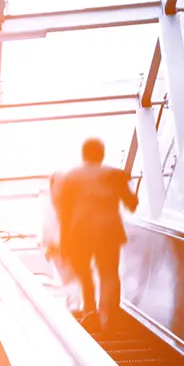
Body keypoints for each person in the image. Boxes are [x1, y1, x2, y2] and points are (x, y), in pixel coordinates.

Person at [51, 138, 137, 332]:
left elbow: (63, 213)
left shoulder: (69, 178)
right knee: (109, 273)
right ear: (101, 154)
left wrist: (64, 242)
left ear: (84, 155)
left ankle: (90, 311)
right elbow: (131, 204)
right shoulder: (115, 175)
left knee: (85, 274)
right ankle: (108, 315)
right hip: (109, 231)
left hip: (79, 232)